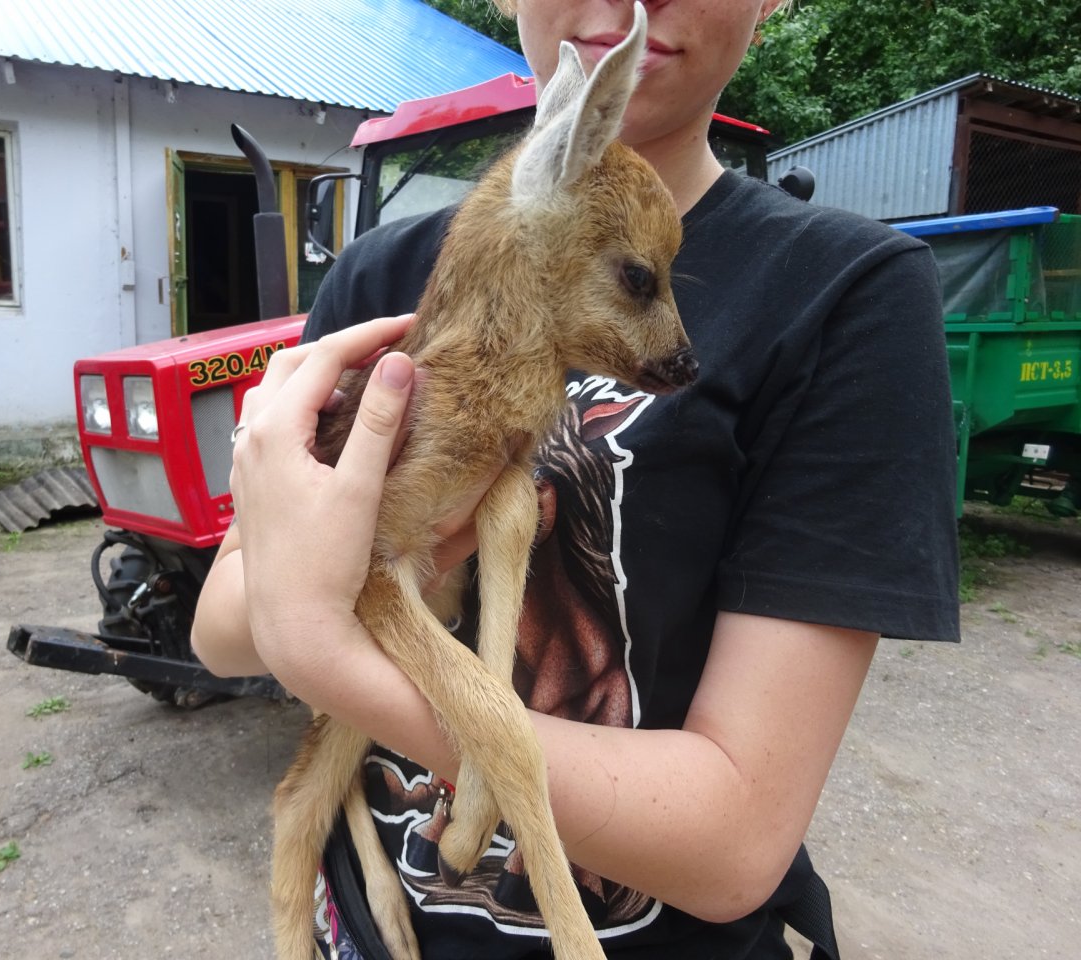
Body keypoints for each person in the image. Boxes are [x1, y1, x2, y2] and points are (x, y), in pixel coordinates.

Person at [190, 0, 961, 957]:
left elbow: (736, 846)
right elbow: (218, 628)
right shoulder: (380, 276)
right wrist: (278, 556)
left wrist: (319, 644)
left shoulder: (851, 292)